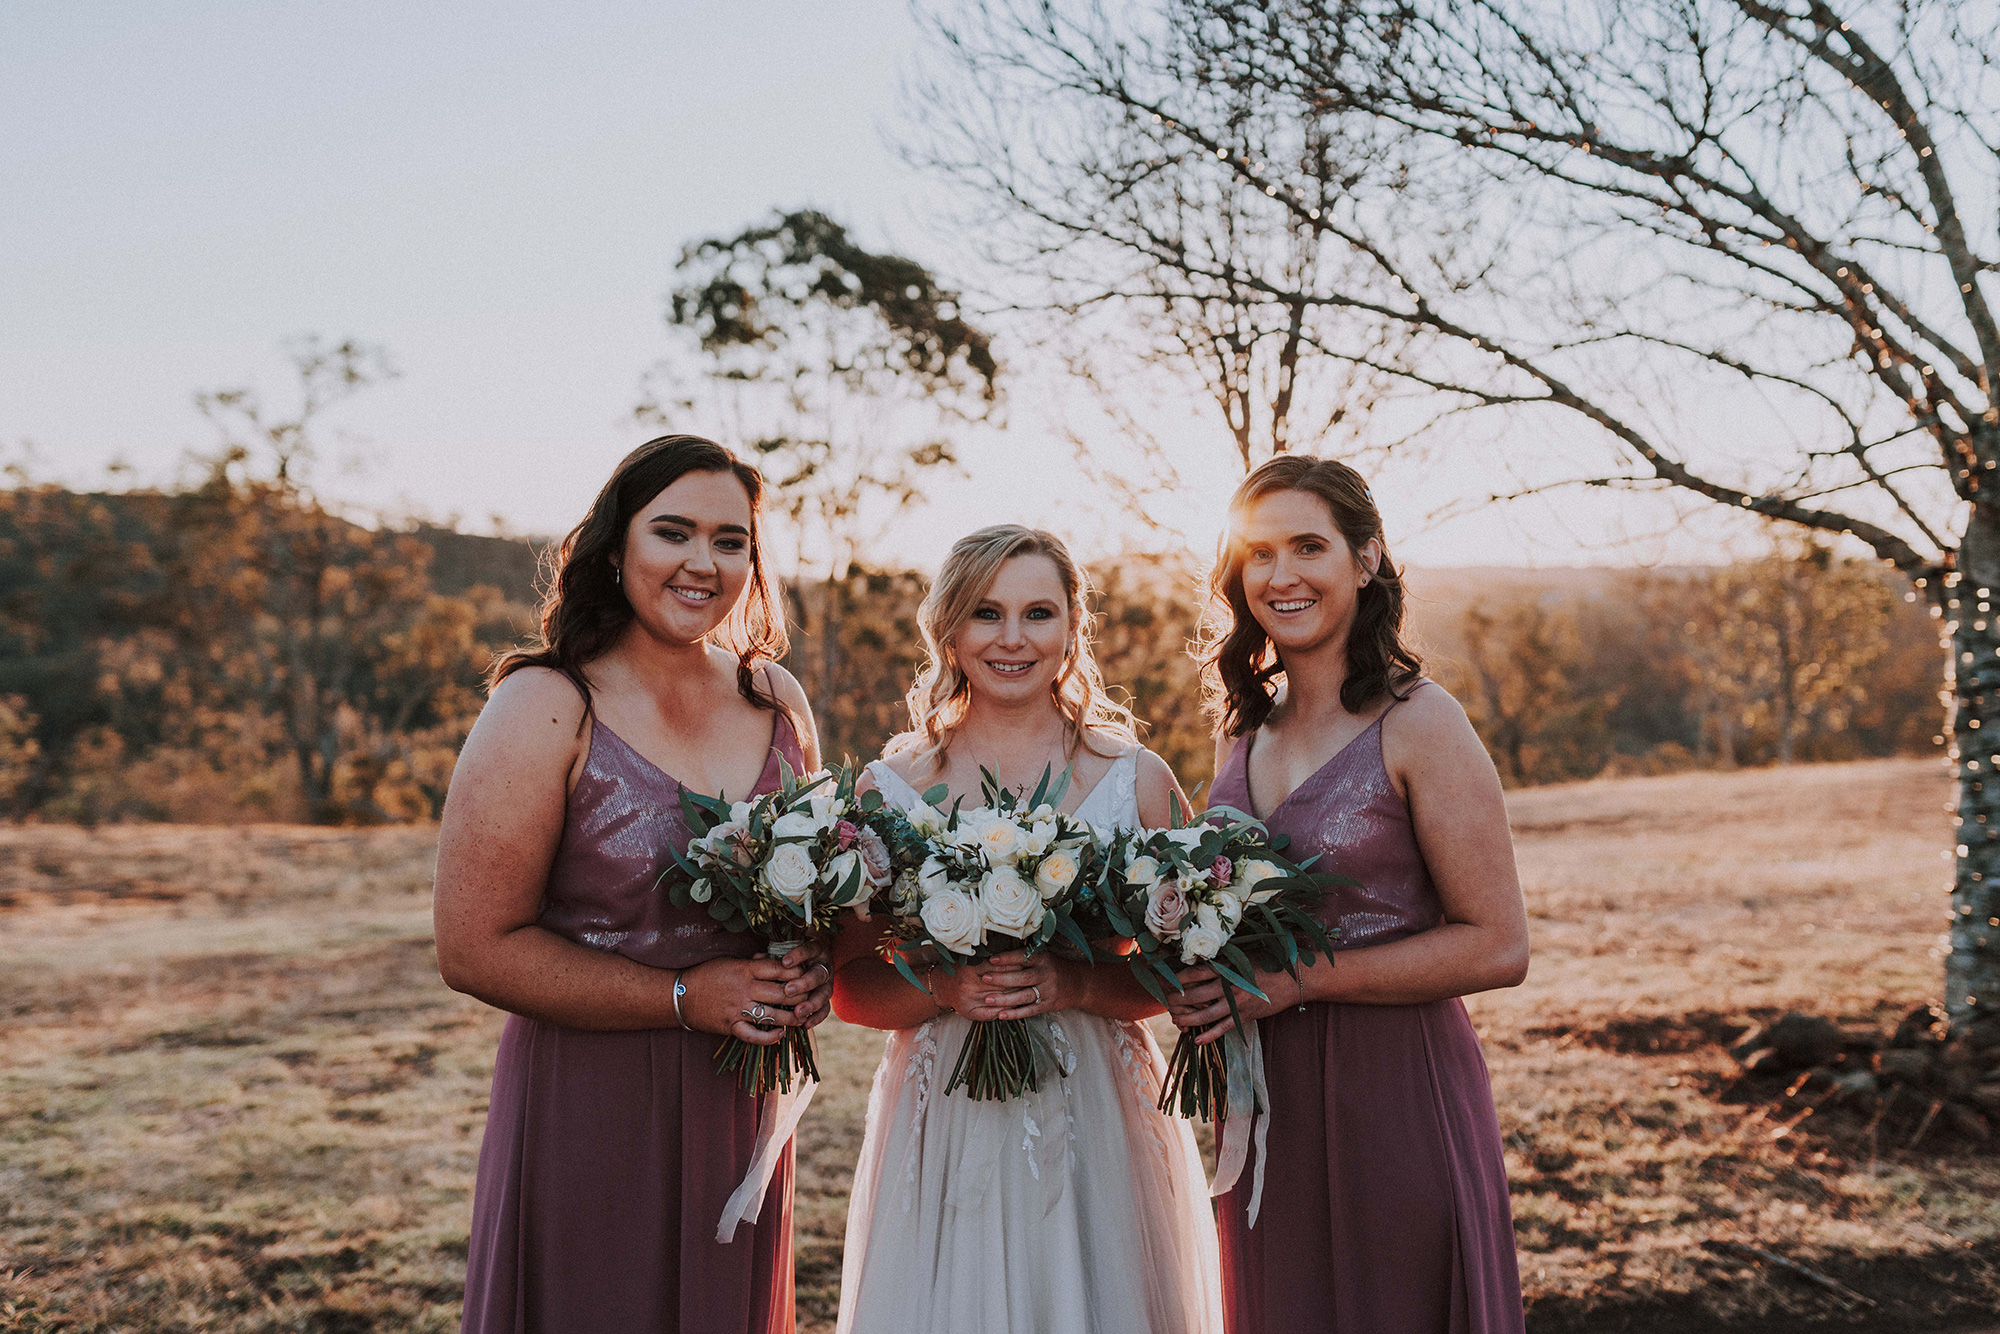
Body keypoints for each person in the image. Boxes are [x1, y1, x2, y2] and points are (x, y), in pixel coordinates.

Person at [434, 435, 833, 1334]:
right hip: (590, 1099)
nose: (704, 563)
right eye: (674, 532)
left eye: (731, 542)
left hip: (739, 1095)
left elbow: (809, 889)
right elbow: (471, 948)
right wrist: (688, 996)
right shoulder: (546, 704)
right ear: (616, 548)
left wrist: (810, 962)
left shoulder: (776, 699)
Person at [1166, 454, 1529, 1334]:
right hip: (1264, 1097)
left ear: (1365, 560)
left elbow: (1497, 945)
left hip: (1394, 1088)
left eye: (1308, 547)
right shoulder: (1246, 725)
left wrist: (1299, 982)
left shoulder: (1420, 720)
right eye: (1259, 553)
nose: (1281, 575)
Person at [831, 524, 1223, 1334]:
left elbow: (1182, 968)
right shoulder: (888, 789)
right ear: (949, 628)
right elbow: (850, 987)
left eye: (1038, 613)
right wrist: (945, 987)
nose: (1012, 639)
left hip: (1098, 1114)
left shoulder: (1135, 779)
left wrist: (1075, 982)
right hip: (944, 1111)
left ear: (1073, 626)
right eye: (986, 614)